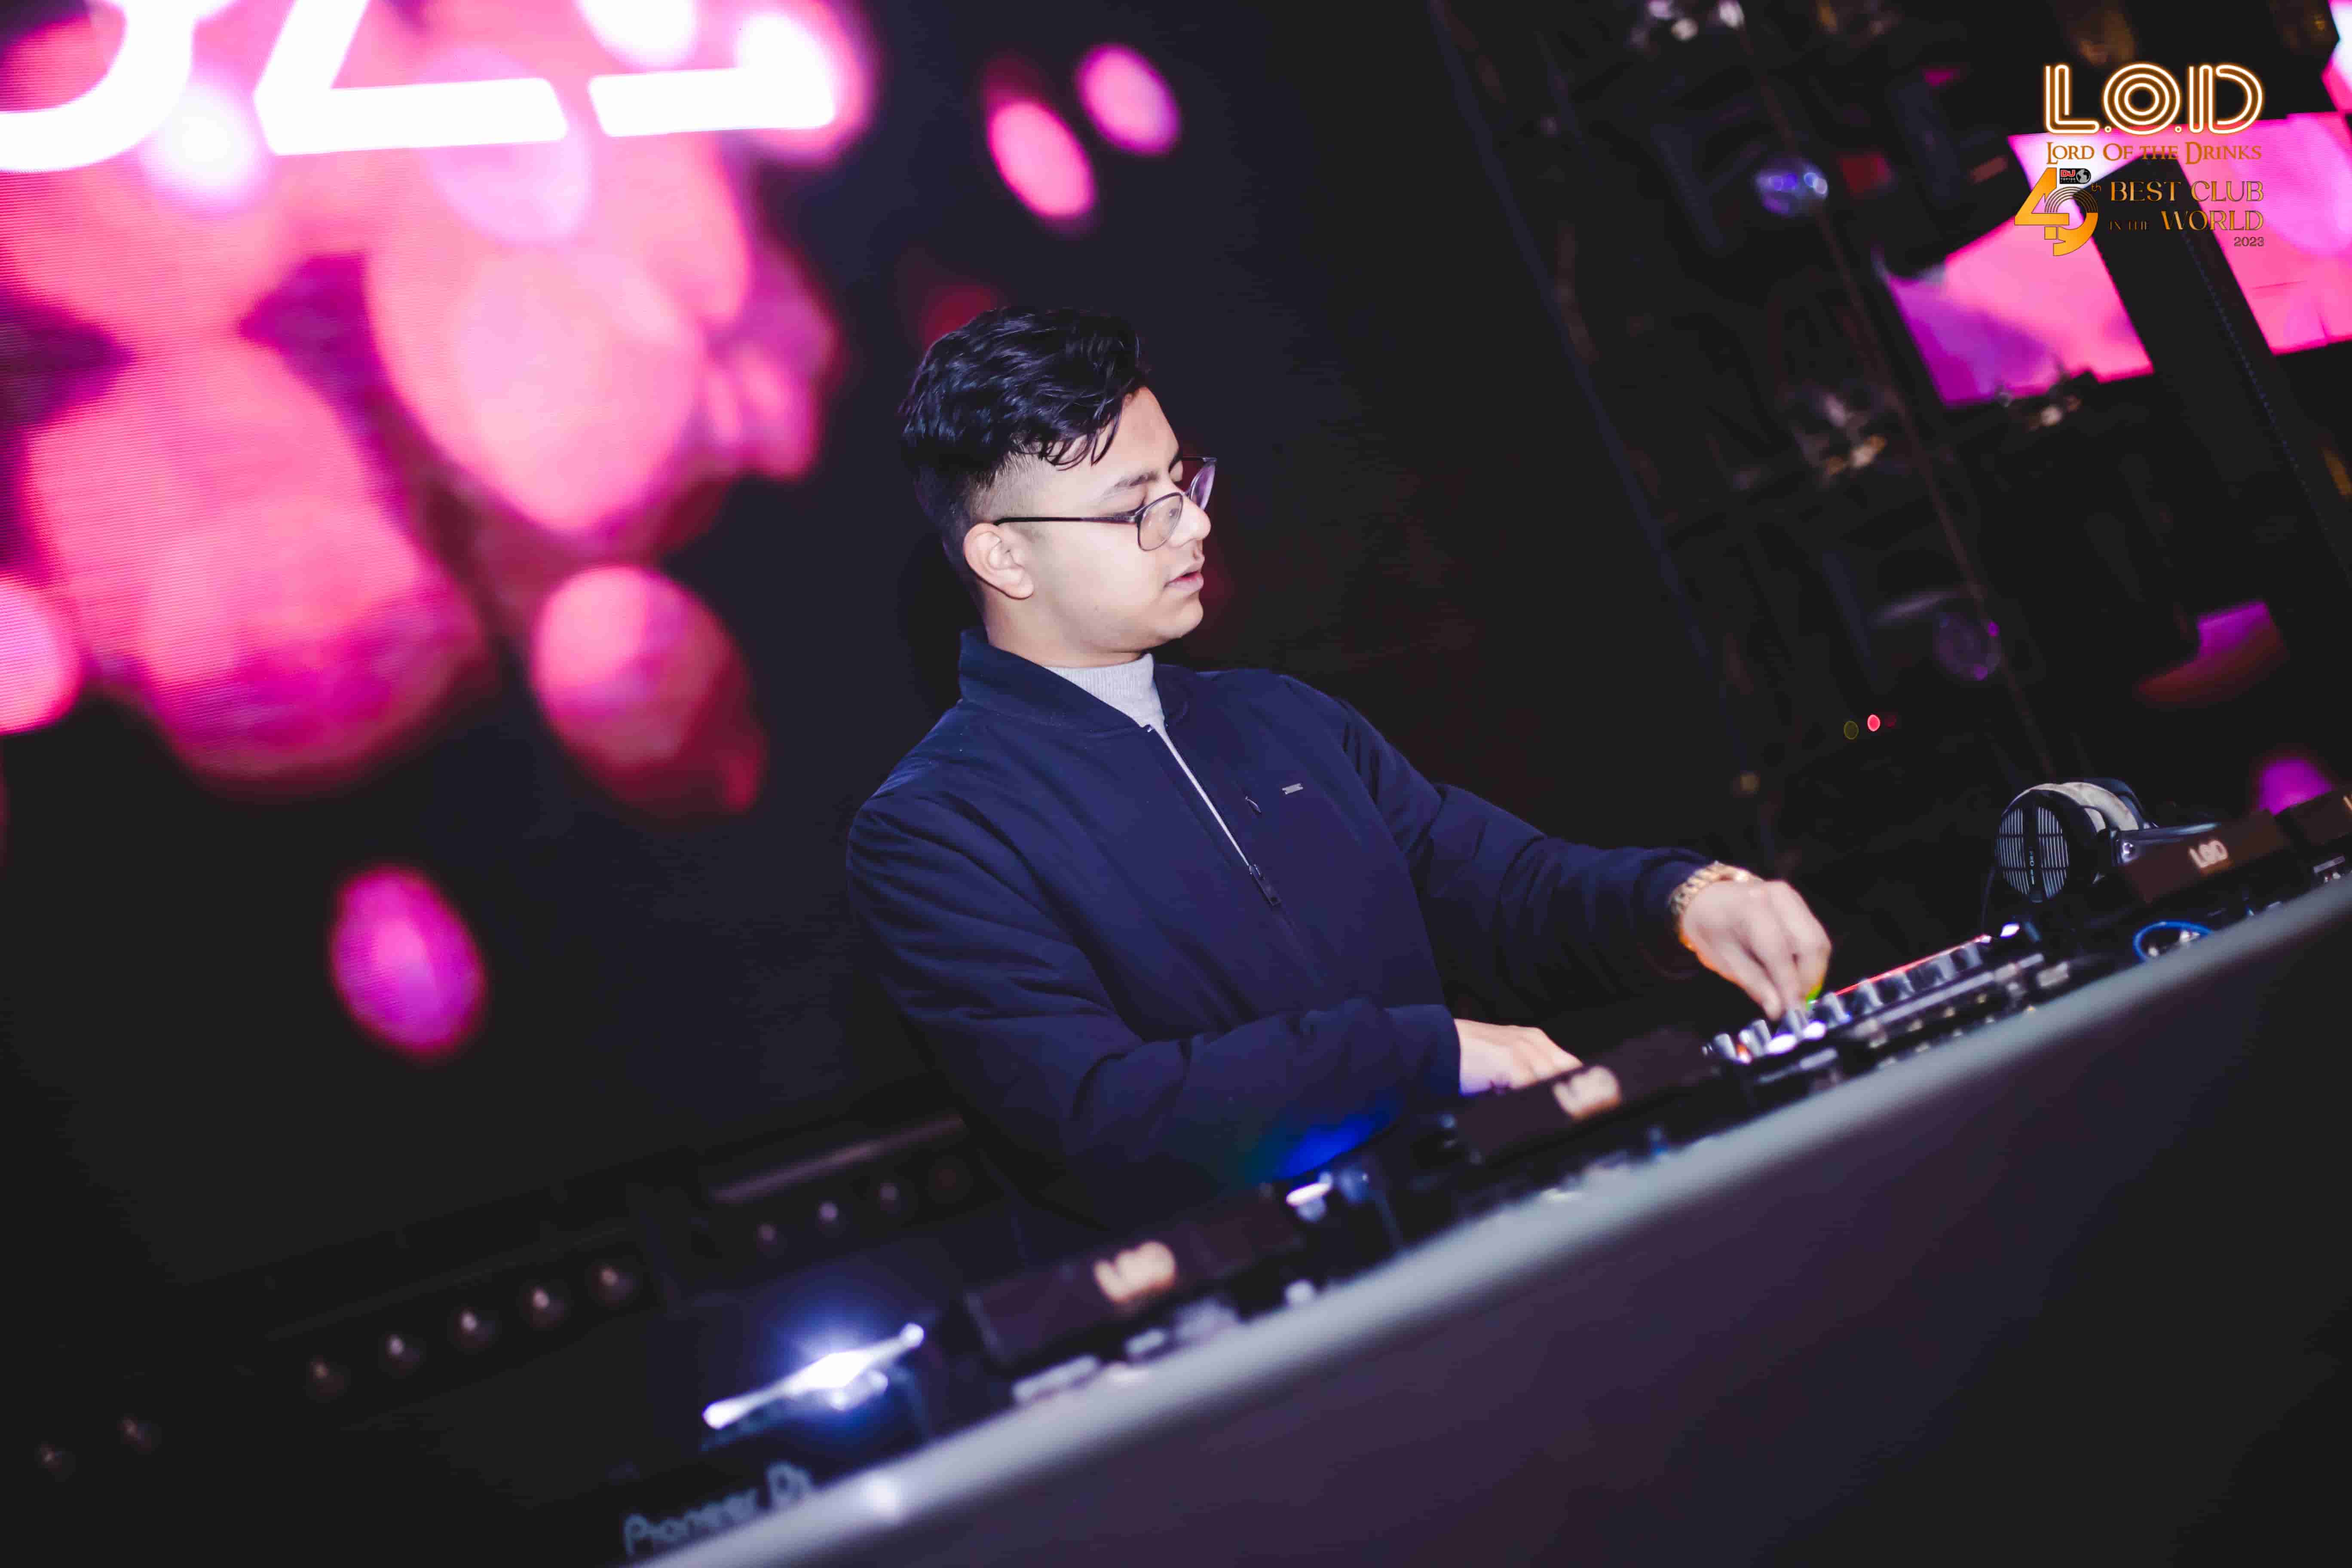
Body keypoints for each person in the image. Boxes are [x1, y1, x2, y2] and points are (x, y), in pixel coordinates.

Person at [848, 306, 1831, 1245]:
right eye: (1136, 509)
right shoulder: (935, 831)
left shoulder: (1280, 717)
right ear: (1005, 556)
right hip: (1260, 1332)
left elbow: (1499, 889)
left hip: (1491, 1236)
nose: (1192, 528)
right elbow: (1101, 1117)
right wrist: (1422, 1054)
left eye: (1183, 484)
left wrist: (1681, 900)